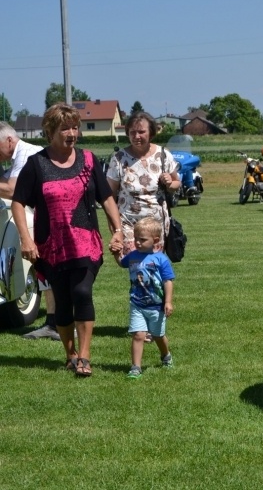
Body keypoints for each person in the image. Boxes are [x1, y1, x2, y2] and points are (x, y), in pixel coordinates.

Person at [11, 103, 124, 377]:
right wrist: (26, 240)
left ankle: (85, 356)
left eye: (75, 127)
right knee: (62, 302)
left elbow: (106, 197)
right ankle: (70, 354)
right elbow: (18, 202)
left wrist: (118, 230)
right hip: (51, 245)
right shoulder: (36, 164)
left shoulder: (88, 160)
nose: (72, 133)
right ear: (51, 131)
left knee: (82, 292)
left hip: (85, 241)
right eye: (65, 128)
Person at [0, 122, 59, 340]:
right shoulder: (19, 157)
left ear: (8, 141)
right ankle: (53, 323)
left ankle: (61, 323)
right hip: (44, 219)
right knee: (45, 273)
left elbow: (12, 190)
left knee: (54, 272)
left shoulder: (25, 154)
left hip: (53, 221)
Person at [106, 111, 180, 256]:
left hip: (156, 227)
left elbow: (177, 183)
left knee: (156, 267)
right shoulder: (119, 159)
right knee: (136, 266)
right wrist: (115, 228)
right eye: (132, 132)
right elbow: (109, 196)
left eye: (141, 132)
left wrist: (170, 183)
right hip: (128, 224)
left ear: (151, 133)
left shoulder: (163, 155)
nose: (136, 136)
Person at [112, 217, 175, 380]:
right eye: (136, 238)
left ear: (154, 241)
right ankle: (136, 367)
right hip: (137, 304)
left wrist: (168, 301)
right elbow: (122, 263)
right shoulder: (133, 256)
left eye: (142, 239)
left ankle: (166, 355)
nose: (138, 242)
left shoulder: (161, 259)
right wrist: (116, 254)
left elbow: (168, 281)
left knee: (158, 335)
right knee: (138, 335)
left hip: (156, 306)